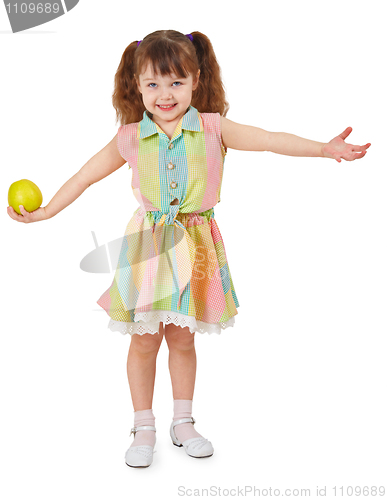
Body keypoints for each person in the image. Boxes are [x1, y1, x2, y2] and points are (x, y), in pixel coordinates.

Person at [7, 29, 371, 469]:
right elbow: (85, 176)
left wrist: (323, 149)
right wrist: (46, 212)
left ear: (196, 80)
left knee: (181, 338)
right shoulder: (129, 137)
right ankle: (144, 425)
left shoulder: (213, 127)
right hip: (149, 248)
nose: (165, 94)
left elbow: (270, 139)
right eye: (153, 84)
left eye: (176, 82)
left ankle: (184, 421)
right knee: (144, 342)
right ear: (136, 85)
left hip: (195, 243)